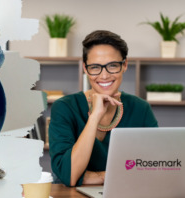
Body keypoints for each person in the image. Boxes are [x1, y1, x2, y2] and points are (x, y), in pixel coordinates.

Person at [48, 30, 158, 187]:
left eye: (112, 66)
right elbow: (70, 175)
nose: (104, 75)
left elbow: (154, 168)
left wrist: (93, 177)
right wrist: (94, 117)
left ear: (124, 65)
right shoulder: (65, 107)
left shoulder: (141, 108)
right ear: (85, 69)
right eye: (95, 67)